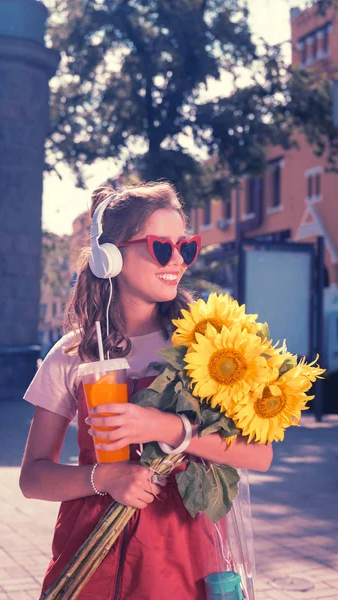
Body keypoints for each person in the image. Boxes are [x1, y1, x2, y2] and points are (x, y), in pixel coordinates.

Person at [19, 181, 273, 600]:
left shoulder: (208, 348)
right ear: (111, 256)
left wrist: (168, 426)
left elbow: (259, 454)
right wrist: (104, 477)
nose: (177, 261)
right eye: (160, 247)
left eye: (185, 247)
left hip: (182, 565)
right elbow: (33, 478)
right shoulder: (72, 354)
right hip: (88, 563)